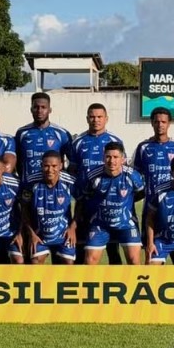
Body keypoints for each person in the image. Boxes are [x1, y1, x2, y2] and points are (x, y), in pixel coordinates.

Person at [65, 103, 125, 265]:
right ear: (87, 119)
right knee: (81, 247)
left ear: (106, 119)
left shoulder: (115, 140)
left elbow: (121, 170)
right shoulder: (78, 142)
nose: (95, 120)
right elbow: (72, 170)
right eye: (92, 116)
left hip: (110, 202)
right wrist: (76, 193)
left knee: (113, 250)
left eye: (99, 117)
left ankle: (115, 285)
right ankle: (81, 285)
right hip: (85, 203)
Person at [133, 107, 174, 264]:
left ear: (169, 123)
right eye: (157, 121)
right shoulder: (143, 147)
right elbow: (136, 178)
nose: (160, 125)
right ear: (152, 123)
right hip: (151, 210)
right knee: (151, 255)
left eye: (163, 122)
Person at [76, 142, 145, 265]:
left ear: (122, 159)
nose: (111, 161)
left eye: (115, 157)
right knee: (89, 261)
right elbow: (85, 197)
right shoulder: (93, 176)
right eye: (108, 157)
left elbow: (140, 193)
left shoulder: (133, 176)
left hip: (126, 224)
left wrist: (123, 202)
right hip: (100, 224)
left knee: (134, 260)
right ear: (103, 158)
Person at [22, 151, 77, 265]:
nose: (50, 170)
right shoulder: (30, 182)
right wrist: (31, 234)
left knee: (68, 262)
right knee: (35, 261)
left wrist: (72, 228)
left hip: (63, 233)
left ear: (61, 166)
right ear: (41, 165)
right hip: (40, 234)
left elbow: (81, 202)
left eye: (54, 166)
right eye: (46, 166)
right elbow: (24, 208)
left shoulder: (70, 181)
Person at [15, 92, 72, 189]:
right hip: (28, 188)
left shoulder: (62, 134)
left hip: (55, 189)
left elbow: (73, 162)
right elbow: (18, 162)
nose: (39, 110)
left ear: (50, 110)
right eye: (36, 107)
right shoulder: (22, 133)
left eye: (43, 107)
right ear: (31, 109)